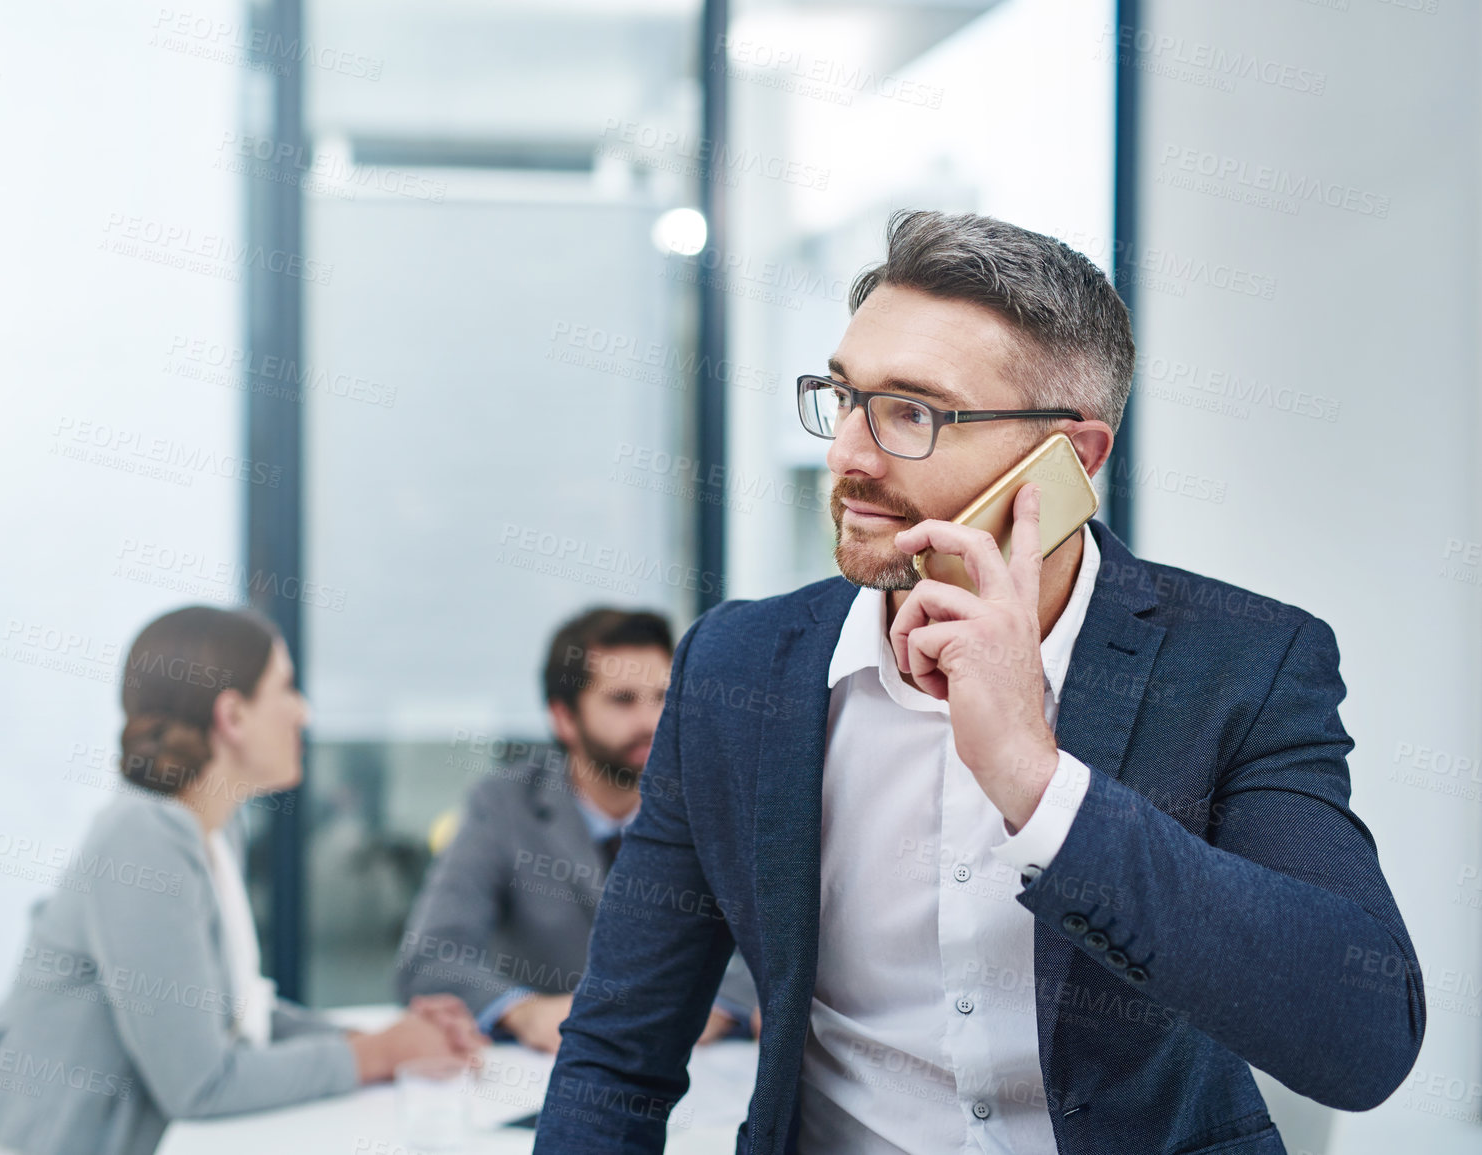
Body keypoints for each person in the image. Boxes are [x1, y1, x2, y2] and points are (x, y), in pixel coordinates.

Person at [534, 211, 1424, 1154]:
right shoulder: (736, 666)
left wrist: (1038, 785)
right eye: (843, 396)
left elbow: (1362, 1040)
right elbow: (616, 1054)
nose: (847, 454)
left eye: (912, 412)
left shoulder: (1240, 662)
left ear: (1071, 457)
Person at [0, 606, 482, 1155]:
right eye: (285, 688)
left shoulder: (206, 831)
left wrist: (373, 1039)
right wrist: (380, 1053)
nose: (303, 712)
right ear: (231, 716)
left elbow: (234, 1014)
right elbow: (202, 1084)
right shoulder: (144, 838)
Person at [396, 607, 758, 1053]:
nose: (652, 722)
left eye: (663, 697)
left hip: (700, 1071)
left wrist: (715, 1008)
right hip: (548, 1072)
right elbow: (431, 956)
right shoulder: (504, 805)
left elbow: (793, 950)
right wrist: (525, 1012)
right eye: (623, 700)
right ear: (563, 717)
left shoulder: (720, 800)